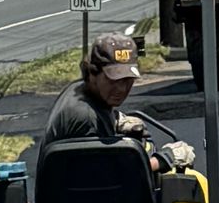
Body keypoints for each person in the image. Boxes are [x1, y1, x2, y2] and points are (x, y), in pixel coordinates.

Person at [37, 31, 193, 170]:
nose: (121, 89)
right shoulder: (86, 118)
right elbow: (107, 175)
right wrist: (164, 158)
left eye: (127, 80)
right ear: (92, 73)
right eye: (113, 80)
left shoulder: (77, 90)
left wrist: (115, 119)